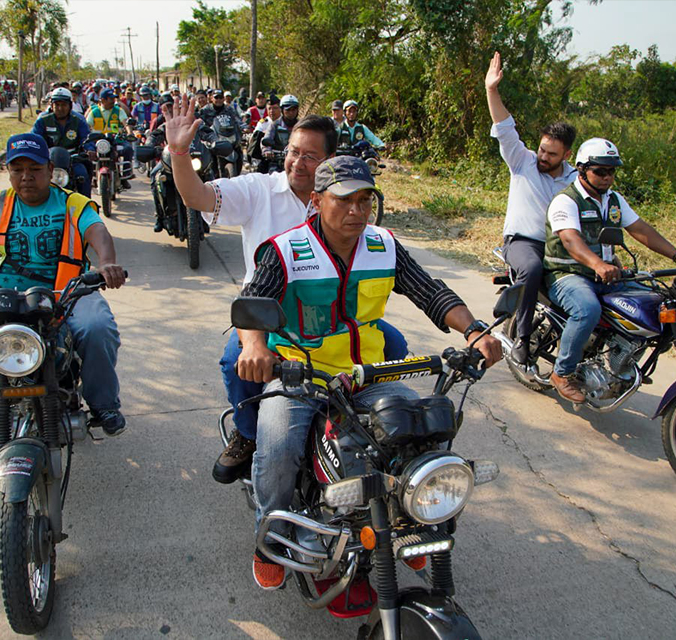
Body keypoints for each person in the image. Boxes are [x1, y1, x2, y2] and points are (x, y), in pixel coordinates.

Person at [233, 154, 503, 589]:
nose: (357, 210)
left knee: (426, 431)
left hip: (365, 375)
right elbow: (251, 307)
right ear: (317, 202)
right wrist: (255, 346)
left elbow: (428, 291)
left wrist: (473, 330)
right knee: (279, 446)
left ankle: (412, 522)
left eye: (365, 200)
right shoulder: (285, 250)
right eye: (344, 200)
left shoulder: (383, 245)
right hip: (301, 374)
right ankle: (272, 536)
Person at [162, 102, 413, 484]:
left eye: (310, 157)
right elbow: (196, 197)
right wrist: (180, 153)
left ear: (331, 161)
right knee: (236, 362)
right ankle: (247, 434)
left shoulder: (346, 202)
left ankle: (357, 422)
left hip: (334, 313)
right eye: (293, 152)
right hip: (268, 316)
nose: (297, 162)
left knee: (394, 348)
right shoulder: (257, 189)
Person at [0, 133, 128, 468]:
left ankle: (104, 404)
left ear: (50, 169)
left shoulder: (72, 203)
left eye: (35, 168)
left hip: (65, 292)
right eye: (18, 169)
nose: (26, 176)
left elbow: (97, 232)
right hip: (4, 295)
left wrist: (106, 263)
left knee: (98, 326)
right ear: (8, 172)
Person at [543, 137, 676, 403]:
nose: (607, 177)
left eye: (612, 171)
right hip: (567, 275)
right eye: (600, 171)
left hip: (607, 275)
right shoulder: (566, 201)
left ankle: (622, 360)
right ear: (581, 169)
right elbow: (570, 240)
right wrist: (598, 264)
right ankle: (562, 373)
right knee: (587, 310)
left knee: (657, 304)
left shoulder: (613, 200)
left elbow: (640, 229)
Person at [483, 51, 579, 374]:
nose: (543, 156)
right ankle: (523, 338)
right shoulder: (522, 160)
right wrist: (492, 91)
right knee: (533, 267)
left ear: (566, 154)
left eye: (551, 154)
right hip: (522, 243)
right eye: (541, 148)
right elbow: (504, 126)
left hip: (562, 246)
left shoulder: (575, 179)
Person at [32, 87, 94, 197]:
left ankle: (87, 208)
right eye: (57, 105)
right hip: (48, 161)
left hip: (73, 159)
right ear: (52, 105)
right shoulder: (42, 121)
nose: (60, 108)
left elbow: (86, 138)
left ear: (70, 105)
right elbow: (35, 140)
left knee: (83, 176)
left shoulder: (78, 121)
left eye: (64, 105)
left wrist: (90, 149)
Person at [86, 88, 134, 189]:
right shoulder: (94, 112)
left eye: (113, 98)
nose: (113, 101)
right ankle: (91, 177)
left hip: (116, 140)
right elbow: (87, 126)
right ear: (102, 100)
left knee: (128, 149)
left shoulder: (118, 111)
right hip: (98, 142)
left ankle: (125, 177)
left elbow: (125, 123)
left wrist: (130, 132)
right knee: (87, 154)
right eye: (110, 99)